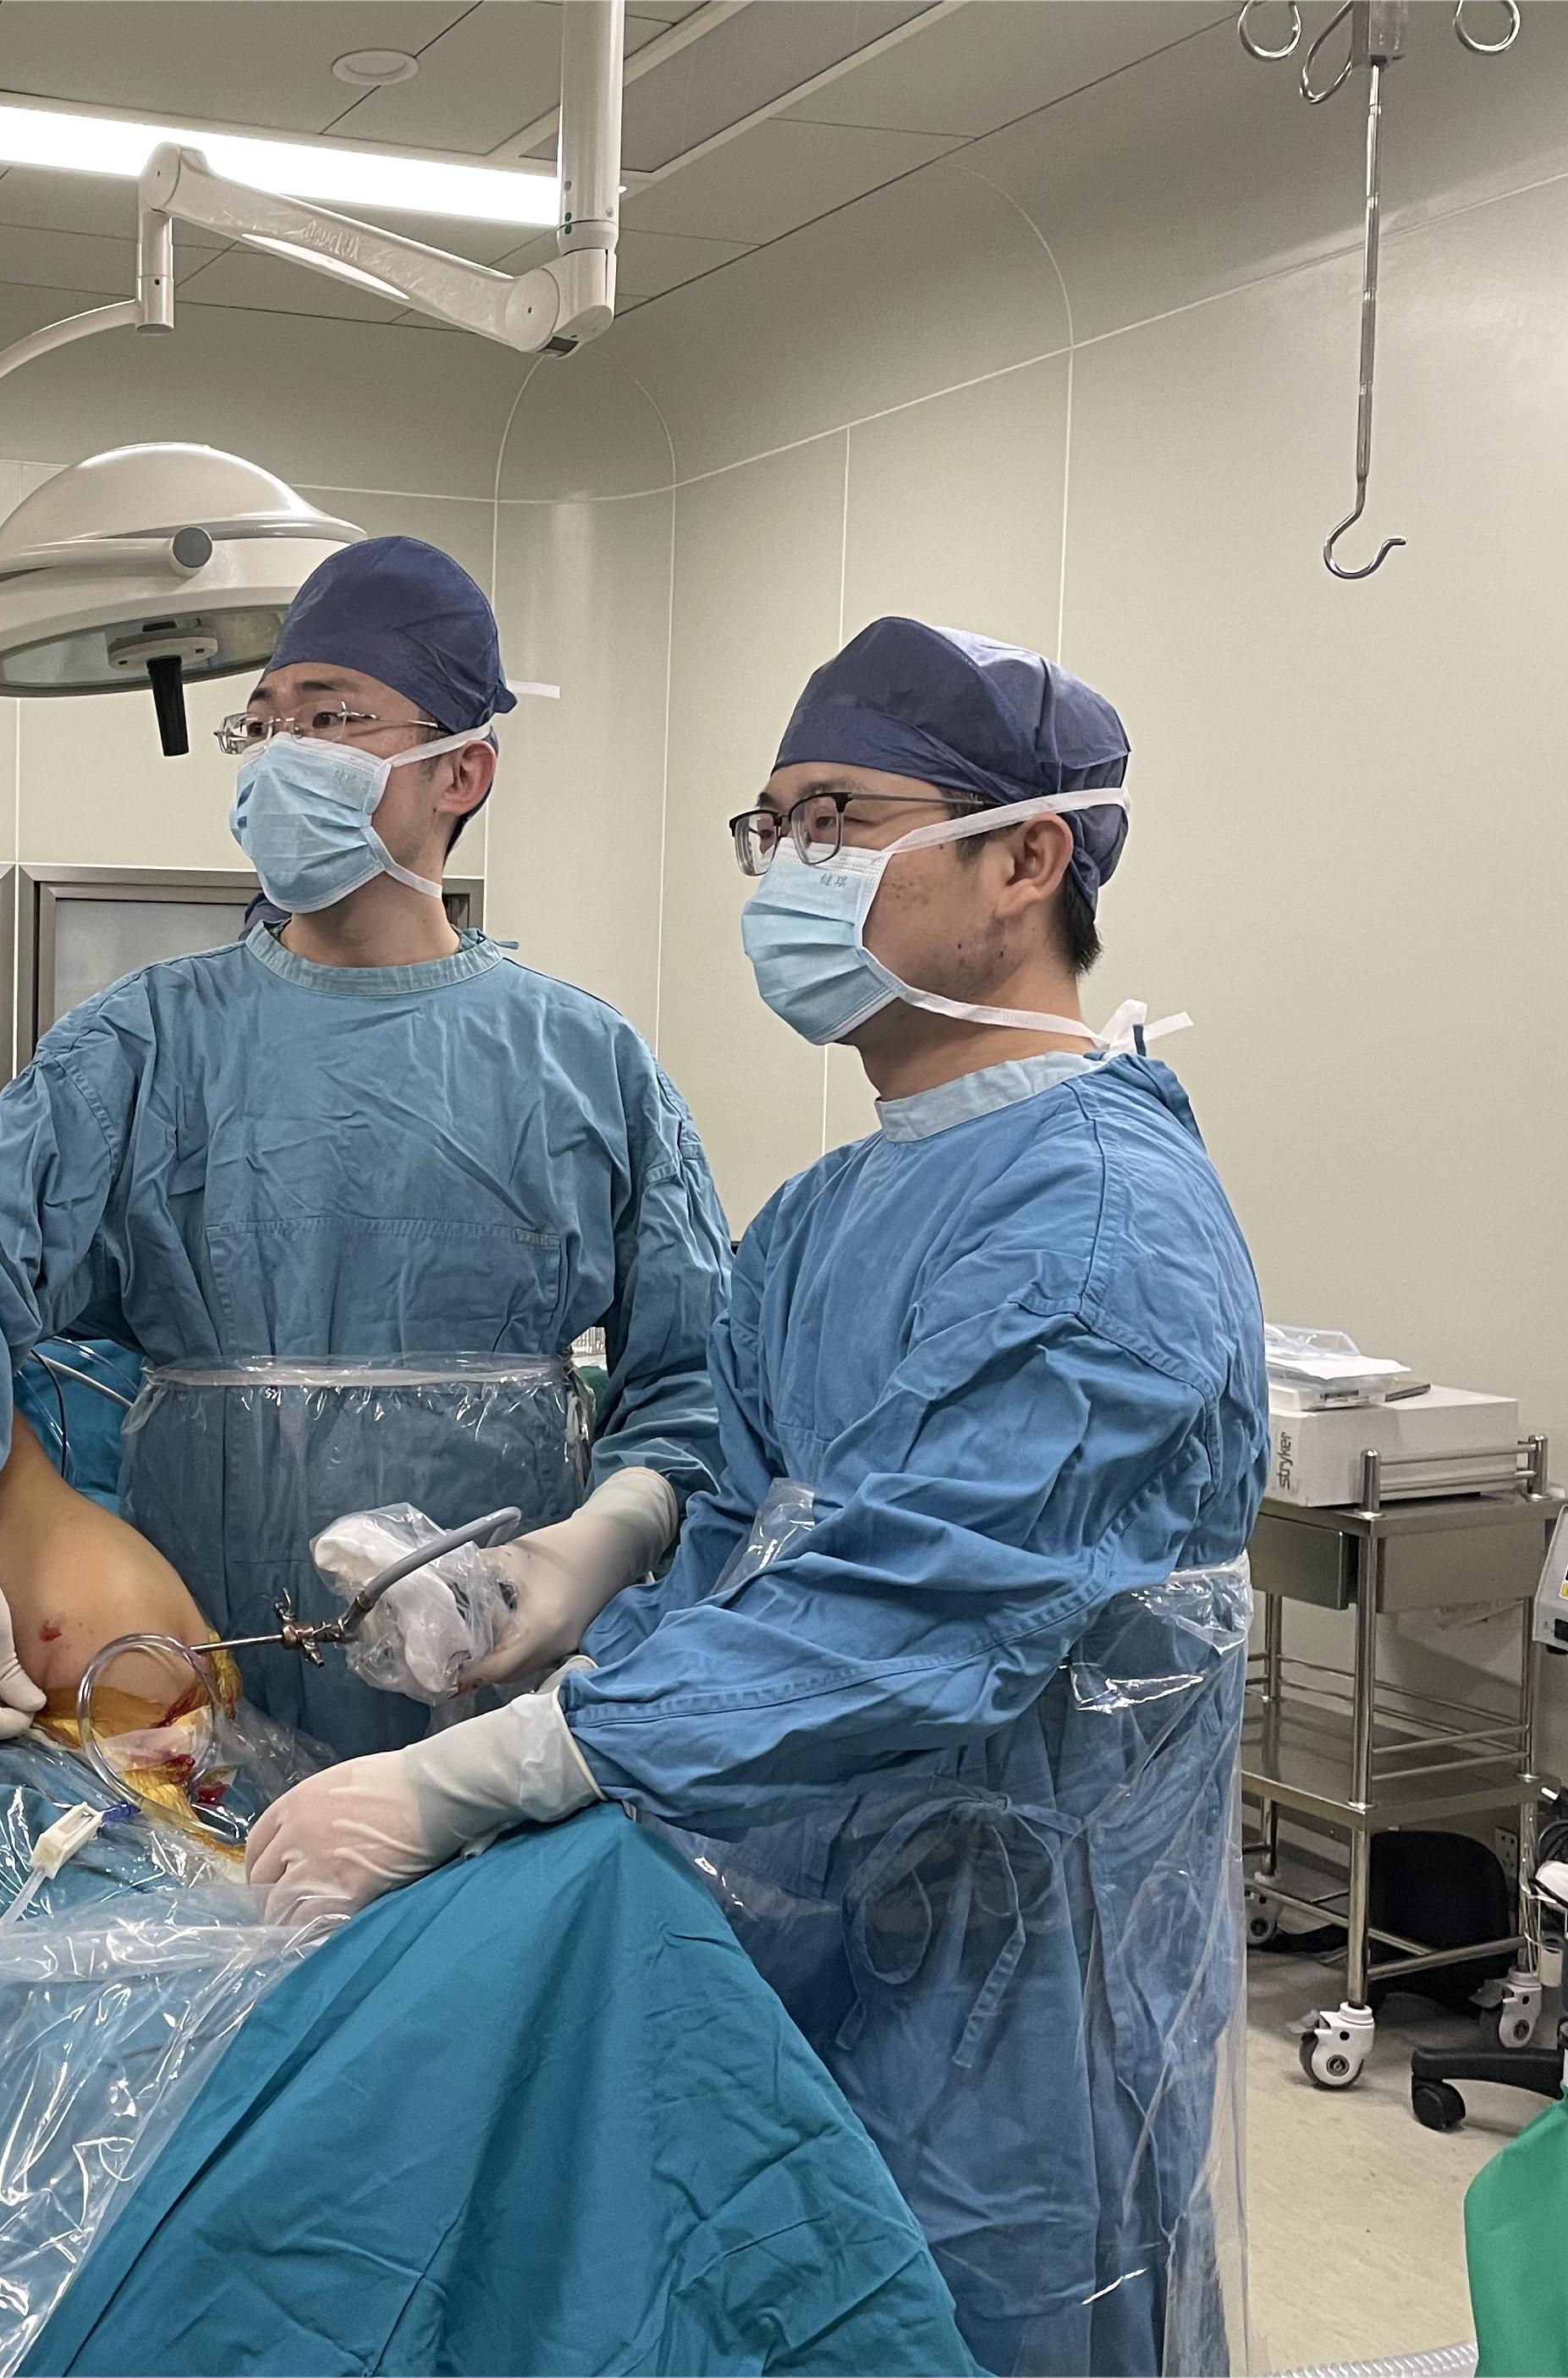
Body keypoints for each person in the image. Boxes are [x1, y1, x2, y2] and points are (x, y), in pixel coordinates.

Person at [244, 619, 1269, 2378]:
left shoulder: (1098, 1225)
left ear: (1029, 857)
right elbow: (749, 1565)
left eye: (840, 818)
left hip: (1019, 2022)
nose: (790, 866)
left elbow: (902, 1616)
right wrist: (548, 1603)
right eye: (774, 824)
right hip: (801, 1953)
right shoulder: (820, 1220)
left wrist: (473, 1777)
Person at [0, 536, 732, 1757]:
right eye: (263, 723)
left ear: (462, 771)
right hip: (191, 1697)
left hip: (489, 1719)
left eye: (331, 716)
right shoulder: (143, 1046)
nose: (282, 753)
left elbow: (696, 1381)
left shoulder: (587, 1063)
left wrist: (604, 1540)